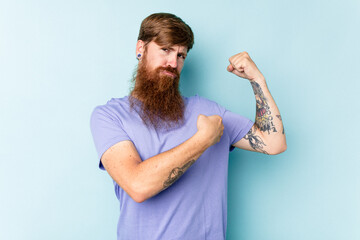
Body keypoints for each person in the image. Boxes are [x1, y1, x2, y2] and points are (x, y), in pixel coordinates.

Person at [90, 12, 287, 240]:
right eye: (165, 49)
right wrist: (203, 140)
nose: (173, 63)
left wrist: (258, 81)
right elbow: (138, 186)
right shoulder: (110, 116)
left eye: (181, 55)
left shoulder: (207, 111)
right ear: (140, 48)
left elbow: (274, 143)